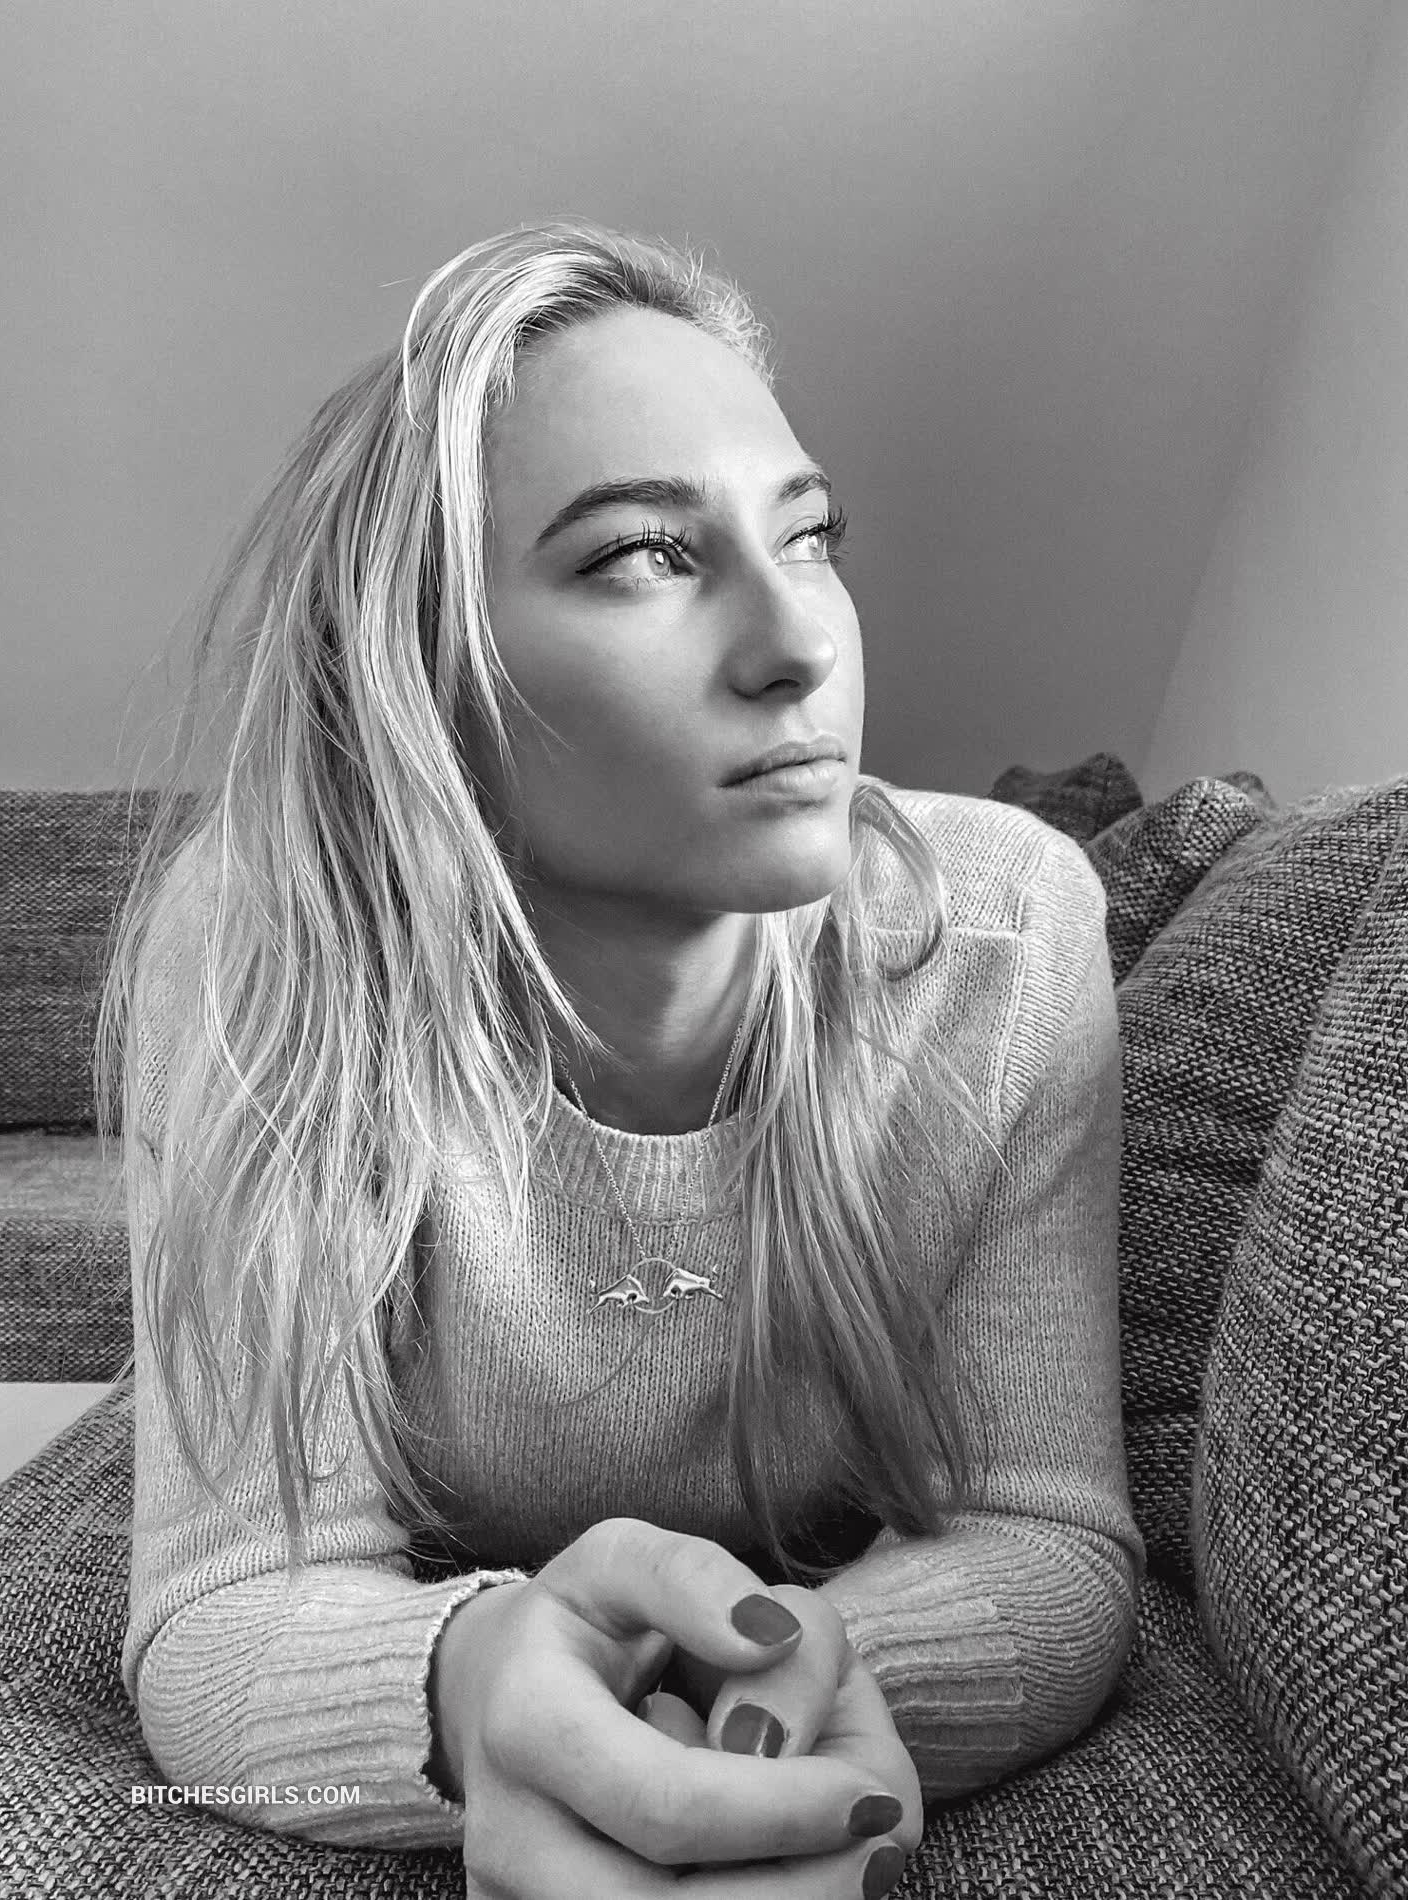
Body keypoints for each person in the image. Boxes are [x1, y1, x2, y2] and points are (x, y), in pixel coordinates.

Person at [98, 218, 1145, 1899]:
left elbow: (1044, 1535)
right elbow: (229, 1603)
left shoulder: (1007, 935)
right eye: (645, 554)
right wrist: (474, 1698)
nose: (801, 647)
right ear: (427, 671)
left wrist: (768, 1705)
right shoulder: (255, 952)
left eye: (808, 536)